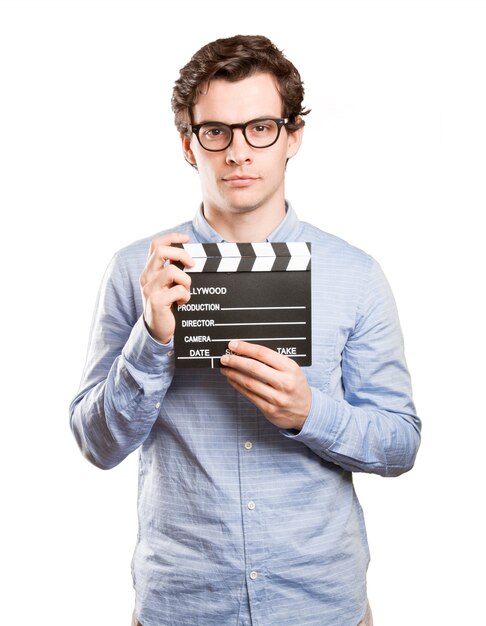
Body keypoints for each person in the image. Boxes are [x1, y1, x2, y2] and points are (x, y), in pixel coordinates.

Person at [70, 35, 421, 626]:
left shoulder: (354, 275)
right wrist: (153, 339)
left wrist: (310, 412)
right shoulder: (139, 270)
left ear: (293, 135)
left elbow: (400, 443)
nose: (238, 152)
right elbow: (97, 444)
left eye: (259, 127)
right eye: (216, 132)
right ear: (189, 144)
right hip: (183, 605)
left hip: (318, 603)